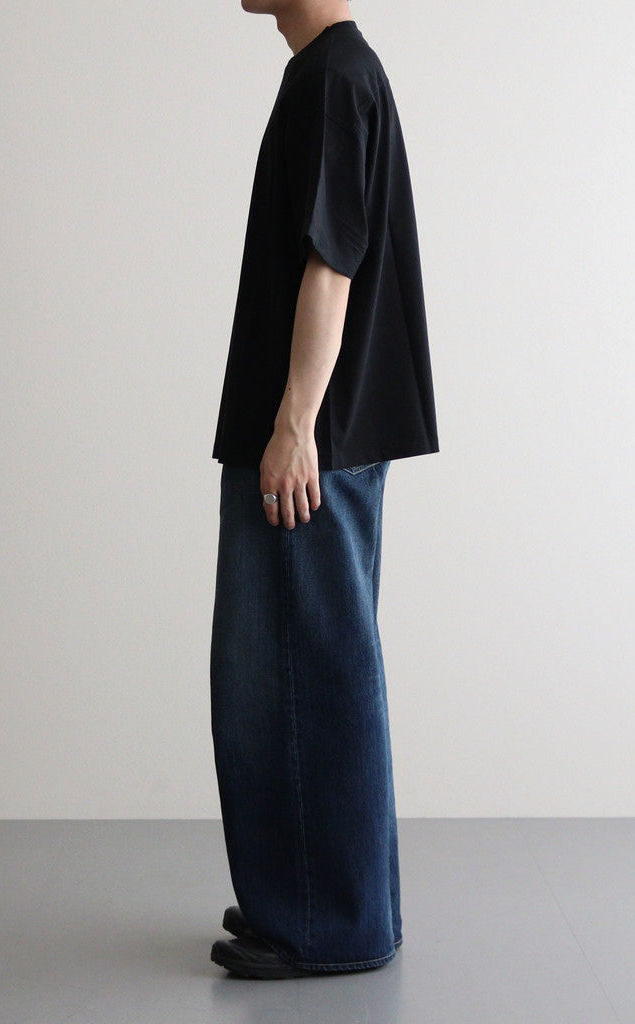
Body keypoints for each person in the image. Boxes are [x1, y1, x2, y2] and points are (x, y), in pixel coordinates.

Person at [209, 0, 439, 979]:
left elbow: (331, 262)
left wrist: (295, 424)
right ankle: (317, 896)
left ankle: (327, 920)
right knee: (302, 670)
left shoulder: (337, 80)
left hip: (312, 441)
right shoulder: (333, 73)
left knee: (300, 678)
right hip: (319, 436)